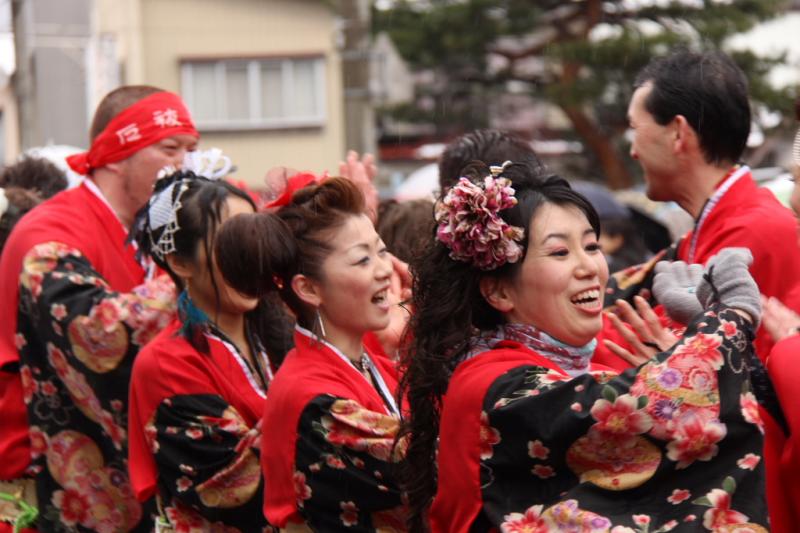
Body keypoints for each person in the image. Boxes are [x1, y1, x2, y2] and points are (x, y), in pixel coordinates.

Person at [400, 161, 768, 532]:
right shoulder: (491, 383)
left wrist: (692, 330)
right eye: (560, 253)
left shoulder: (568, 357)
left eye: (592, 246)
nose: (590, 267)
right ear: (498, 290)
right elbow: (639, 405)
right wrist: (730, 316)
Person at [0, 85, 198, 532]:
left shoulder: (148, 235)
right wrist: (198, 264)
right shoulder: (49, 233)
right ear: (114, 153)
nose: (184, 166)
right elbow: (98, 339)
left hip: (120, 478)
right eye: (170, 149)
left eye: (191, 151)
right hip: (37, 480)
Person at [215, 177, 408, 531]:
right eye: (362, 260)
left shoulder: (375, 365)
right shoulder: (310, 396)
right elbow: (429, 464)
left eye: (381, 251)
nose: (384, 269)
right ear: (308, 288)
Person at [610, 48, 800, 361]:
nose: (633, 151)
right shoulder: (724, 225)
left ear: (677, 134)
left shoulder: (756, 231)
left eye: (636, 130)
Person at [126, 170, 287, 531]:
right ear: (180, 262)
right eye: (231, 243)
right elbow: (233, 486)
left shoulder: (282, 334)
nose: (250, 256)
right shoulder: (165, 363)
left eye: (253, 236)